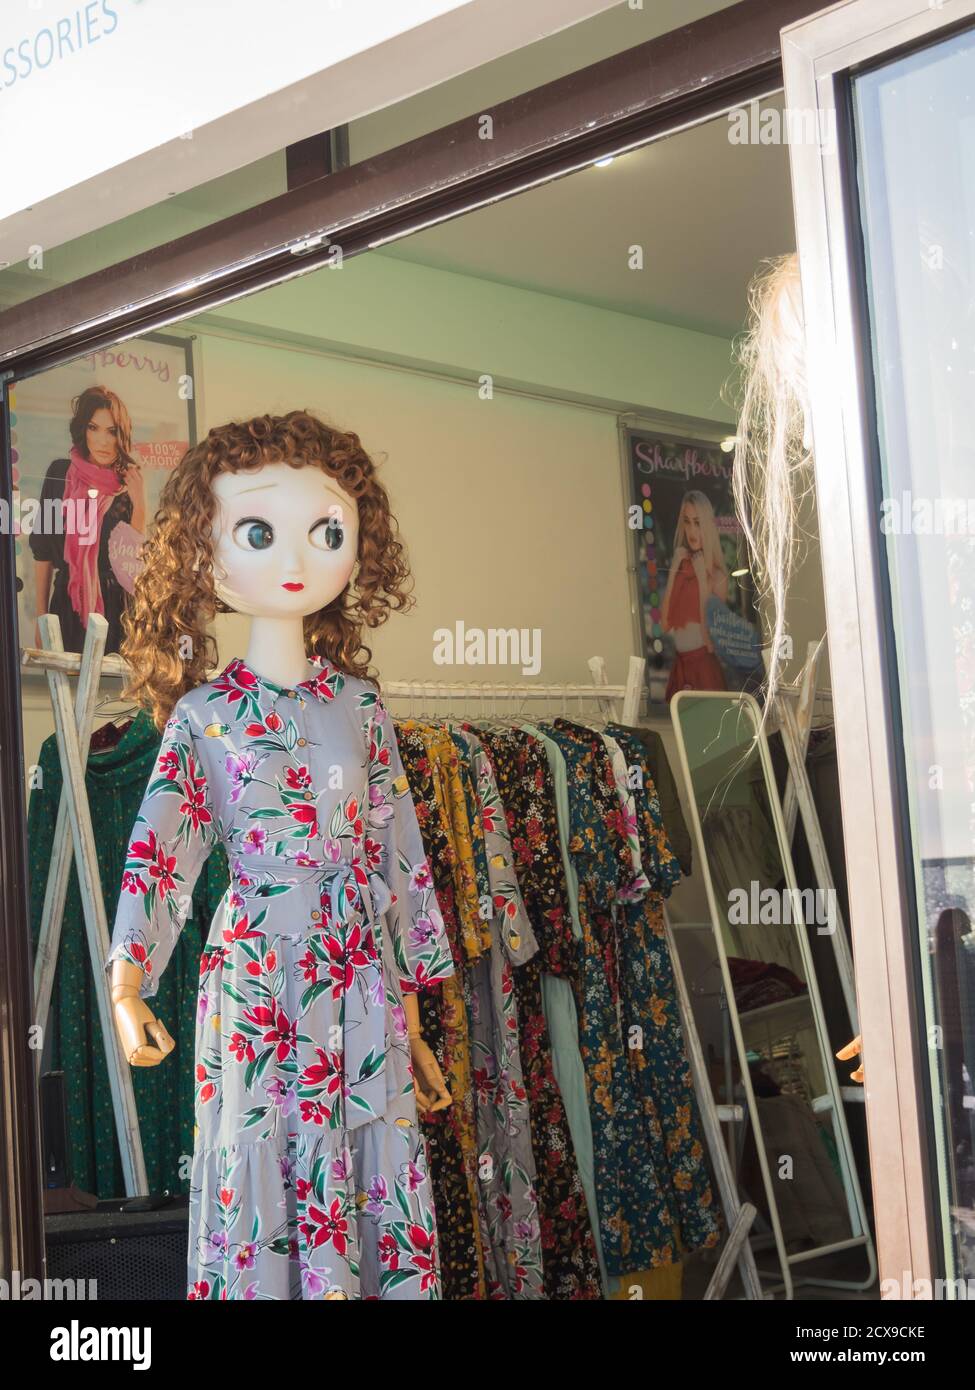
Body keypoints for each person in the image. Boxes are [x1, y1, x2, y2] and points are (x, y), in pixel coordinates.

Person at [29, 385, 145, 654]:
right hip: (66, 607)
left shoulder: (128, 485)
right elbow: (43, 551)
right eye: (94, 428)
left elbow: (132, 567)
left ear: (122, 435)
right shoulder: (60, 474)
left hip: (115, 612)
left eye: (112, 431)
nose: (103, 441)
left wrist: (140, 506)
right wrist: (41, 618)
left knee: (110, 694)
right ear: (83, 430)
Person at [660, 489, 729, 701]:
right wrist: (673, 571)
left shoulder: (717, 576)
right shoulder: (683, 569)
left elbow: (710, 640)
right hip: (680, 665)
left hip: (703, 668)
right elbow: (664, 624)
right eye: (687, 522)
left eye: (697, 523)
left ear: (707, 526)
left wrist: (701, 580)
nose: (691, 530)